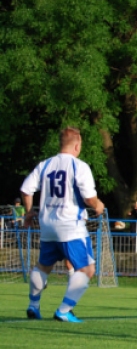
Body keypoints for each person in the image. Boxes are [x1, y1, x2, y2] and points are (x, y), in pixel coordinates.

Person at [19, 126, 105, 322]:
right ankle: (64, 310)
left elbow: (26, 190)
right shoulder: (79, 166)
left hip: (48, 225)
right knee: (87, 269)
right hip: (70, 225)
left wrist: (29, 212)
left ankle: (33, 305)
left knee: (42, 267)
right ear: (77, 145)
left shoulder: (45, 165)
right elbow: (90, 198)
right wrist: (99, 205)